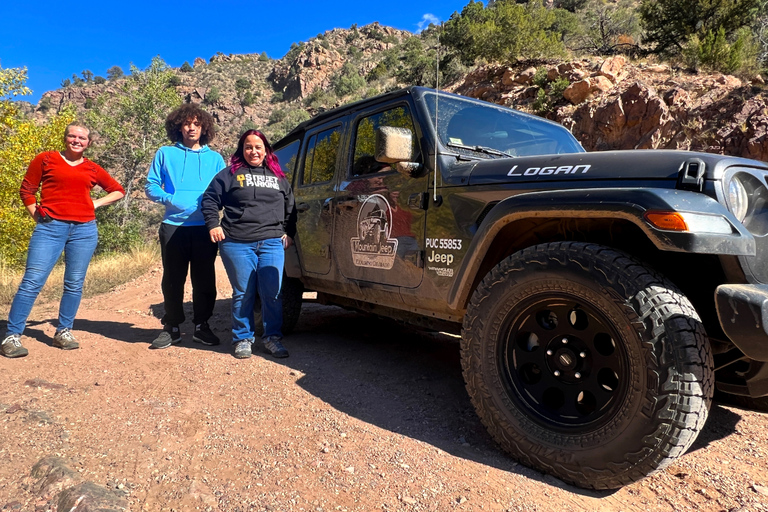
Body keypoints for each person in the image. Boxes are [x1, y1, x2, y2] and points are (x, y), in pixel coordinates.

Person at [1, 123, 125, 358]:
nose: (77, 141)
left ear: (89, 143)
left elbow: (118, 190)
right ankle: (12, 336)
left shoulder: (92, 168)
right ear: (65, 138)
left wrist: (95, 203)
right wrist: (37, 216)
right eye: (72, 136)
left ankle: (63, 332)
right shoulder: (46, 159)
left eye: (82, 138)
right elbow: (27, 190)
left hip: (84, 231)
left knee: (74, 283)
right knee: (32, 281)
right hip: (50, 229)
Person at [201, 130, 295, 359]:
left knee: (272, 292)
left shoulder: (278, 177)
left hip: (271, 242)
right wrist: (213, 225)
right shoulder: (229, 175)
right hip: (237, 242)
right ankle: (242, 338)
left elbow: (291, 207)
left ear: (266, 150)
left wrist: (289, 233)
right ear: (242, 150)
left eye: (258, 147)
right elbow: (209, 199)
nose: (253, 151)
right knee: (243, 292)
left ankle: (272, 338)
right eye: (248, 147)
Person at [145, 104, 226, 349]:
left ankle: (202, 326)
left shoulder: (215, 159)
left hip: (205, 227)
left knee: (205, 279)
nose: (192, 128)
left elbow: (224, 189)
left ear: (204, 128)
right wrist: (169, 199)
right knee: (172, 279)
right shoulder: (165, 153)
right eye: (187, 124)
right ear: (178, 127)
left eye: (197, 124)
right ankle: (172, 327)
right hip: (173, 226)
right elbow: (151, 186)